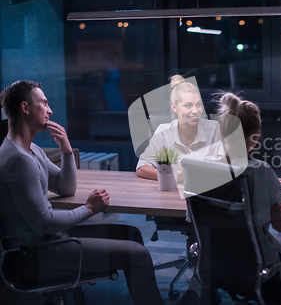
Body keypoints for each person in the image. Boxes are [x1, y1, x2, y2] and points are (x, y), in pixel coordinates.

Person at [0, 80, 163, 305]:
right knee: (138, 255)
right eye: (44, 103)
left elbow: (65, 187)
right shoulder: (19, 160)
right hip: (34, 256)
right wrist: (88, 209)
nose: (50, 110)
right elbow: (45, 222)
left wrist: (66, 151)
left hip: (49, 241)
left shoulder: (31, 150)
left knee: (131, 234)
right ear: (25, 108)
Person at [179, 92, 281, 305]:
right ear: (256, 134)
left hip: (216, 269)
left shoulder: (198, 169)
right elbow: (280, 224)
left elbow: (193, 218)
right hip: (261, 272)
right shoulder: (259, 172)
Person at [136, 75, 223, 180]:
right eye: (188, 105)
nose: (196, 111)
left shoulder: (214, 129)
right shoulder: (163, 132)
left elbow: (228, 166)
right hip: (173, 192)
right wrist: (173, 176)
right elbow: (142, 167)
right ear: (174, 107)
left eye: (199, 104)